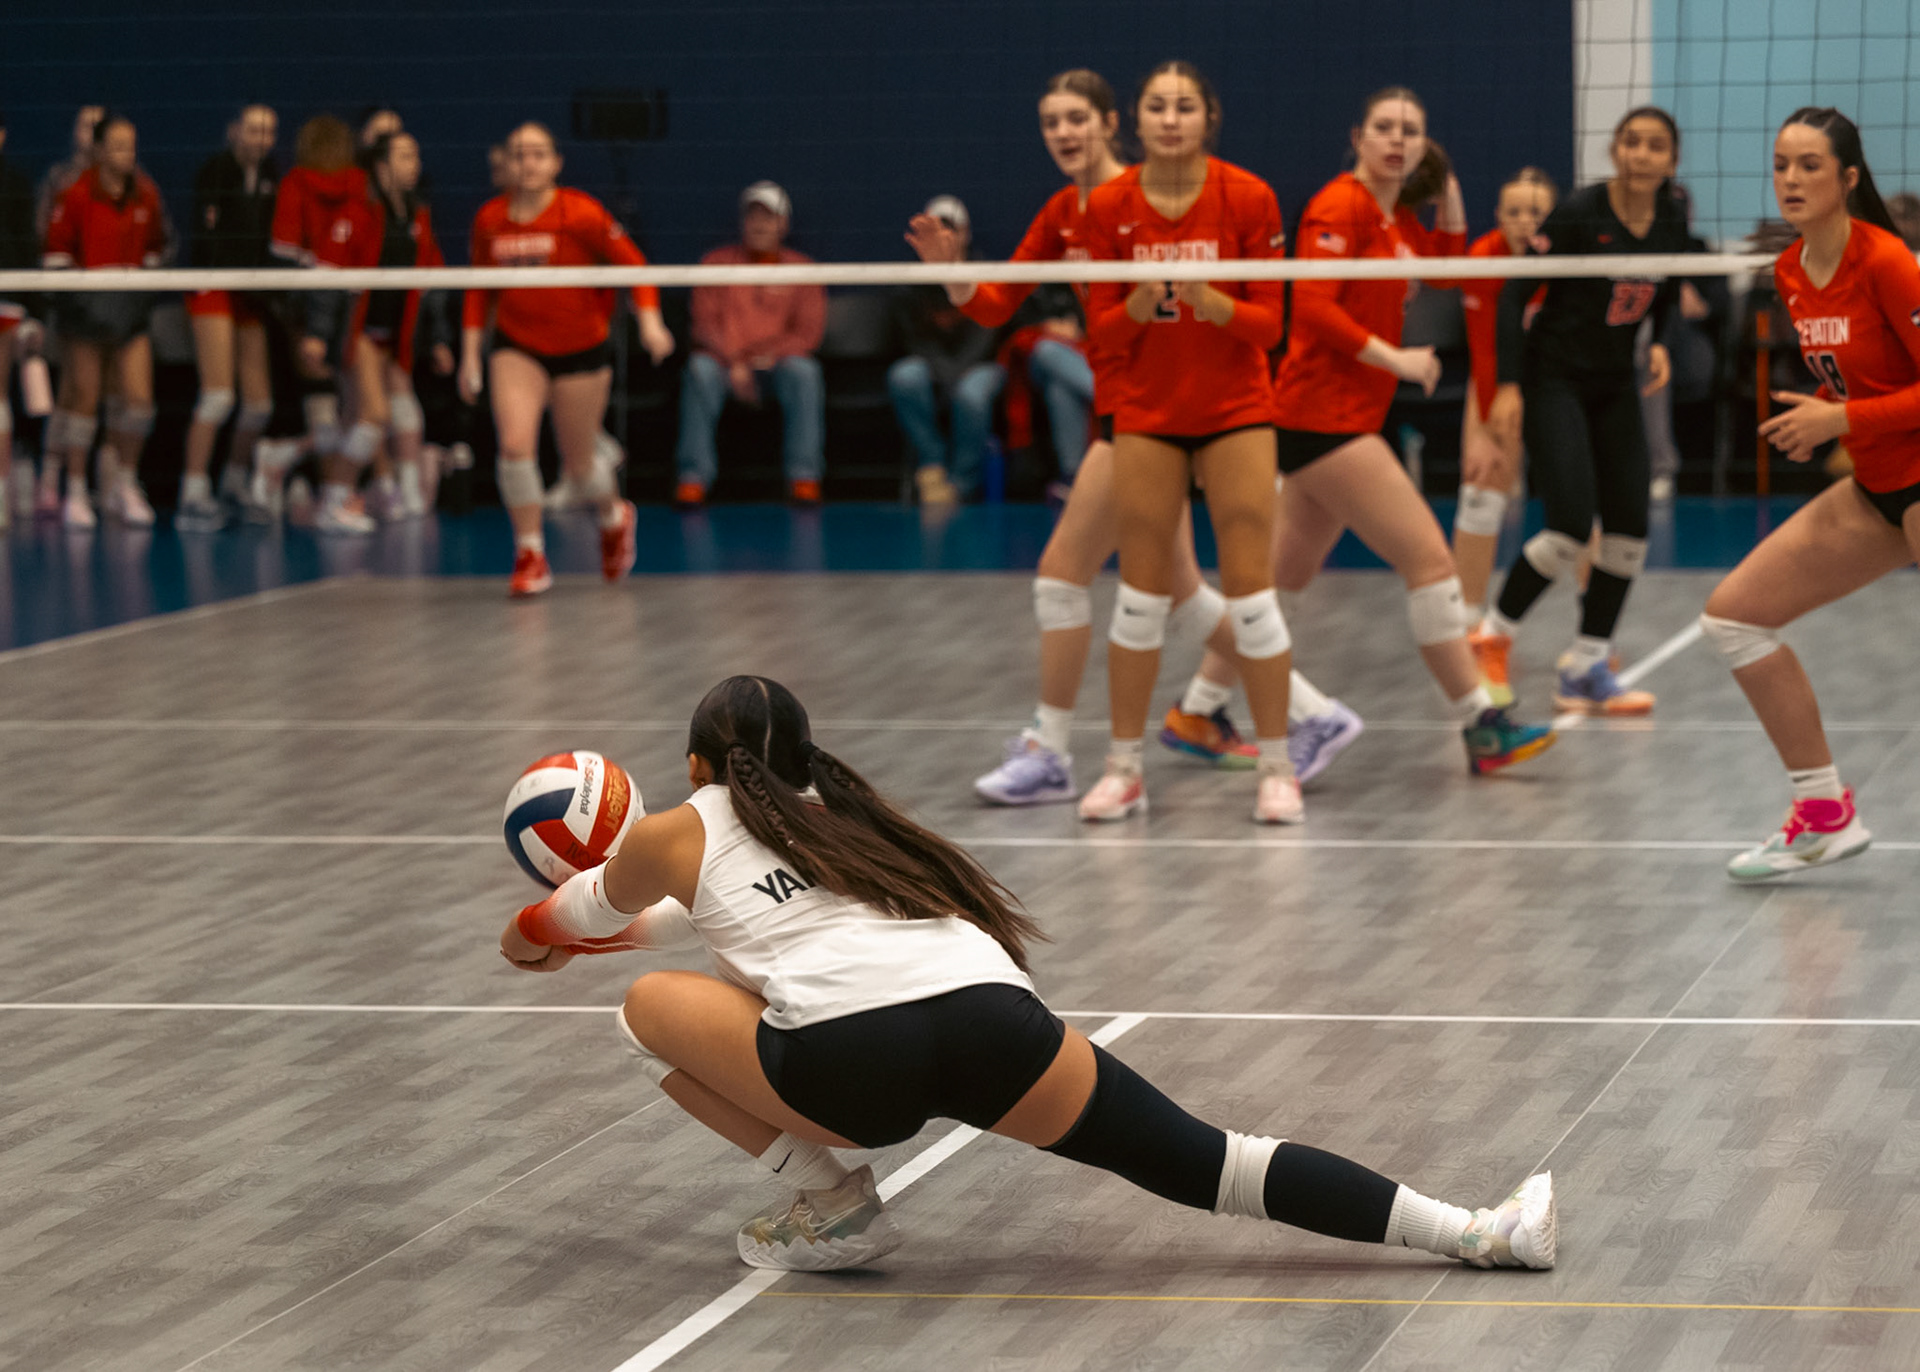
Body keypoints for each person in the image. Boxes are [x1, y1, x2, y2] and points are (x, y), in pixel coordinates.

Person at [496, 675, 1557, 1274]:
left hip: (851, 1064)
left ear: (695, 767)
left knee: (642, 1012)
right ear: (808, 759)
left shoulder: (672, 831)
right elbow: (711, 916)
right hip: (990, 1019)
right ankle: (1473, 1231)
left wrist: (533, 928)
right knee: (1207, 1160)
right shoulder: (850, 818)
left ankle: (834, 1203)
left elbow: (560, 921)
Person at [905, 69, 1360, 806]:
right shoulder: (1069, 212)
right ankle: (1302, 715)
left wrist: (1200, 308)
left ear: (1113, 123)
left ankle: (1060, 751)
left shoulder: (1204, 195)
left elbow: (1264, 319)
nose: (1064, 134)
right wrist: (953, 276)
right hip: (1136, 415)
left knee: (1096, 584)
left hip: (1162, 416)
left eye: (1077, 119)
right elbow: (996, 304)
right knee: (1169, 594)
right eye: (1051, 122)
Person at [1269, 87, 1553, 775]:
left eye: (1412, 131)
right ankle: (1480, 723)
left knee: (1273, 590)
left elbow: (1444, 268)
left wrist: (1447, 186)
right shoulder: (1339, 206)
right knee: (1430, 563)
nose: (1397, 139)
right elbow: (1311, 306)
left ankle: (1201, 706)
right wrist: (1393, 359)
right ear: (1358, 137)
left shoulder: (1391, 215)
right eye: (1385, 128)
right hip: (1322, 416)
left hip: (1336, 417)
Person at [1079, 61, 1303, 823]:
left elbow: (1270, 326)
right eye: (1157, 106)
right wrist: (1138, 308)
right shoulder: (1110, 204)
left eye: (1184, 107)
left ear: (1210, 117)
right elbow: (1100, 335)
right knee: (1139, 602)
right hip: (1148, 413)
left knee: (1253, 600)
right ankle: (1123, 769)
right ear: (1136, 120)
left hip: (1237, 410)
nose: (1171, 119)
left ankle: (1278, 767)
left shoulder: (1248, 195)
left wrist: (1216, 304)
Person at [1703, 108, 1919, 882]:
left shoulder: (1888, 261)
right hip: (1878, 483)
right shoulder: (1790, 270)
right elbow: (1858, 379)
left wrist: (1842, 420)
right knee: (1735, 617)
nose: (1790, 180)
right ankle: (1825, 814)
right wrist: (1826, 419)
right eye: (1781, 165)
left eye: (1810, 166)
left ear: (1849, 178)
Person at [1476, 107, 1693, 715]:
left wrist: (1657, 342)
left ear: (1672, 160)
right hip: (1556, 378)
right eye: (1631, 142)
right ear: (1615, 150)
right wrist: (1510, 386)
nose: (1641, 155)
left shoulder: (1672, 216)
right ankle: (1493, 635)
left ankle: (1586, 665)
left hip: (1615, 381)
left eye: (1655, 146)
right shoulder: (1580, 212)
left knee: (1629, 530)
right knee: (1570, 526)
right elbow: (1514, 294)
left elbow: (1668, 286)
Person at [461, 122, 674, 597]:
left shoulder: (581, 213)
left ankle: (613, 514)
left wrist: (650, 323)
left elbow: (636, 266)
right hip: (517, 347)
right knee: (514, 445)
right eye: (519, 154)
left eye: (538, 154)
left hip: (581, 350)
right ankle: (530, 554)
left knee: (579, 472)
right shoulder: (490, 219)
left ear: (556, 162)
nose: (528, 163)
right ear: (506, 162)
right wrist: (470, 356)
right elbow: (477, 290)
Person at [41, 112, 172, 529]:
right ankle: (77, 490)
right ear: (98, 151)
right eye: (117, 146)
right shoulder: (75, 194)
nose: (126, 154)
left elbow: (158, 248)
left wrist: (139, 292)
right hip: (84, 316)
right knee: (84, 399)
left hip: (130, 315)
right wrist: (81, 302)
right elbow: (56, 256)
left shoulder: (146, 193)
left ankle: (124, 484)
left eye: (131, 146)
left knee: (139, 402)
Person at [674, 181, 827, 508]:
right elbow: (703, 325)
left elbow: (807, 334)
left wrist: (763, 357)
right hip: (724, 364)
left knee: (804, 373)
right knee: (699, 370)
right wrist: (736, 361)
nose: (759, 224)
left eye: (768, 217)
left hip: (776, 366)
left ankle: (804, 477)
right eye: (753, 216)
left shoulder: (803, 270)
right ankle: (693, 479)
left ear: (783, 224)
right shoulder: (715, 263)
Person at [1454, 168, 1556, 654]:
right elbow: (1483, 350)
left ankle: (1596, 633)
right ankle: (1465, 622)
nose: (1524, 221)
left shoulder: (1568, 260)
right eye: (1513, 212)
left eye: (1535, 212)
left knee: (1581, 513)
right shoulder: (1483, 259)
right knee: (1480, 494)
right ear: (1497, 216)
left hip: (1558, 389)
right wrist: (1481, 427)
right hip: (1497, 387)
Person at [270, 113, 384, 534]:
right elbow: (325, 260)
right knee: (370, 412)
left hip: (343, 313)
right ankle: (328, 492)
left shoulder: (358, 191)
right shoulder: (357, 190)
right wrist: (317, 329)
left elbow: (287, 252)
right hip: (341, 313)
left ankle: (310, 476)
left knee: (351, 411)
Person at [179, 103, 281, 533]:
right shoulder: (215, 172)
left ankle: (234, 485)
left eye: (268, 131)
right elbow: (210, 241)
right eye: (253, 129)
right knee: (219, 395)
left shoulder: (272, 175)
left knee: (258, 404)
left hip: (250, 292)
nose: (261, 139)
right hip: (213, 283)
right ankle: (192, 495)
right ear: (235, 130)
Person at [352, 130, 452, 520]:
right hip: (359, 332)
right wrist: (319, 334)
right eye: (405, 156)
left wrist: (439, 339)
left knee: (405, 411)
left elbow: (432, 280)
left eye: (416, 155)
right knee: (371, 414)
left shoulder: (418, 215)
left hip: (398, 335)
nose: (415, 164)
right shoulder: (361, 209)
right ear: (381, 166)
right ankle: (370, 486)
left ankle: (407, 487)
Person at [886, 195, 1007, 505]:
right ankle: (932, 463)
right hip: (935, 366)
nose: (944, 237)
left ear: (965, 234)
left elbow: (987, 335)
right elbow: (915, 340)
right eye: (937, 230)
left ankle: (961, 485)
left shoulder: (988, 275)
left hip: (982, 365)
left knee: (972, 392)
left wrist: (958, 374)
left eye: (951, 229)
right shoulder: (910, 285)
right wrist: (946, 373)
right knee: (904, 376)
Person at [0, 110, 40, 532]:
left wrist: (32, 312)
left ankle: (0, 493)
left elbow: (26, 247)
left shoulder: (14, 184)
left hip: (6, 299)